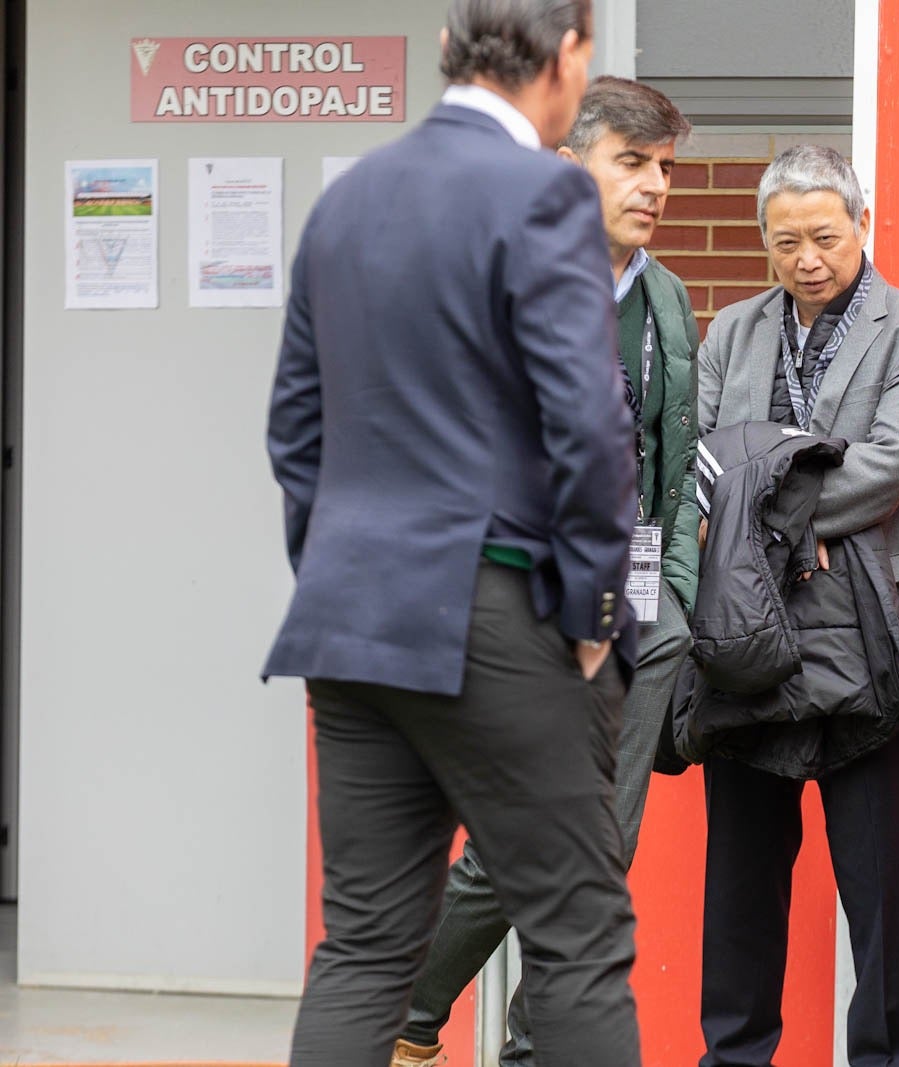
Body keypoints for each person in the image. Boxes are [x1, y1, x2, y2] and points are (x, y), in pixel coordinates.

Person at [263, 2, 643, 1064]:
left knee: (366, 945)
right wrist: (593, 609)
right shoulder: (545, 190)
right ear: (570, 57)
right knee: (579, 936)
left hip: (350, 618)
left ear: (446, 52)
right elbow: (589, 420)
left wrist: (341, 569)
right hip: (495, 602)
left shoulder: (347, 200)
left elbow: (295, 431)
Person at [390, 75, 698, 1067]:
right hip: (520, 613)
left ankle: (529, 1049)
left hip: (638, 623)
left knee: (596, 861)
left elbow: (675, 461)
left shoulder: (665, 297)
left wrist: (676, 606)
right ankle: (406, 1008)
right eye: (633, 162)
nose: (655, 187)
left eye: (665, 169)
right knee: (518, 846)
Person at [696, 144, 899, 1067]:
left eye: (821, 235)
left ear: (861, 223)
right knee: (739, 891)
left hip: (874, 640)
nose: (805, 258)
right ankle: (734, 1056)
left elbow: (893, 462)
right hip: (747, 640)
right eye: (783, 242)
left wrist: (760, 506)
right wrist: (780, 516)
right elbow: (701, 458)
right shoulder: (729, 332)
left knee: (880, 899)